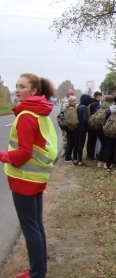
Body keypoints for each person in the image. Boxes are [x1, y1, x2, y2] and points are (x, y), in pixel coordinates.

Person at [0, 73, 58, 278]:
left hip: (24, 178)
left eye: (22, 87)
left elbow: (23, 152)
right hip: (36, 178)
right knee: (36, 226)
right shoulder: (40, 113)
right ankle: (38, 270)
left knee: (31, 229)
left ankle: (36, 274)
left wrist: (3, 155)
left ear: (34, 91)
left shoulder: (26, 115)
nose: (17, 90)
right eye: (16, 86)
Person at [72, 94, 92, 166]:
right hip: (82, 129)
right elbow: (85, 119)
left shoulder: (78, 106)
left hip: (76, 127)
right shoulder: (85, 108)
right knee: (81, 145)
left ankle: (75, 159)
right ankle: (80, 161)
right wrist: (88, 126)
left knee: (76, 144)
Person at [96, 95, 113, 169]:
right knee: (107, 146)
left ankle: (100, 162)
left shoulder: (101, 106)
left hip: (98, 128)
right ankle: (105, 163)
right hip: (105, 128)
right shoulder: (110, 108)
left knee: (103, 145)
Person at [86, 91, 102, 160]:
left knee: (90, 139)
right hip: (93, 125)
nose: (101, 98)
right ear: (98, 96)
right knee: (93, 140)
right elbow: (96, 114)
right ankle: (91, 155)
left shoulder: (90, 103)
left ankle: (89, 154)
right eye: (100, 96)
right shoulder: (96, 104)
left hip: (89, 124)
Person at [59, 89, 74, 156]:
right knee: (65, 138)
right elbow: (65, 110)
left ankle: (67, 152)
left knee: (69, 138)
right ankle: (64, 152)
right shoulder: (66, 101)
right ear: (68, 94)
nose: (73, 95)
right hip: (65, 122)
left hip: (67, 121)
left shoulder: (68, 101)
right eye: (72, 94)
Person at [64, 96, 78, 163]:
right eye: (74, 101)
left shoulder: (67, 108)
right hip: (72, 128)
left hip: (68, 127)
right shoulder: (72, 110)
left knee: (70, 142)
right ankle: (67, 158)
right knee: (71, 143)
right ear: (71, 102)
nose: (75, 102)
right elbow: (73, 120)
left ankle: (68, 156)